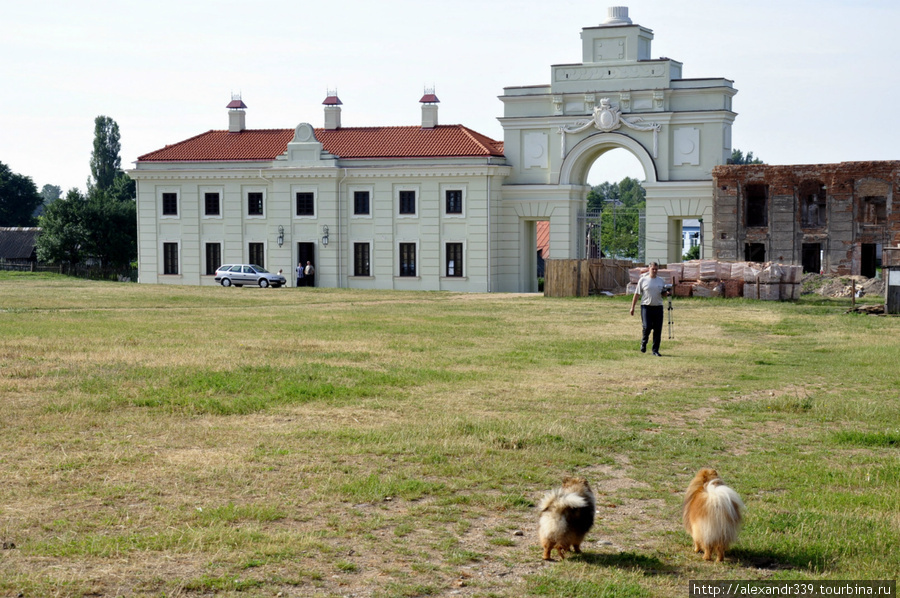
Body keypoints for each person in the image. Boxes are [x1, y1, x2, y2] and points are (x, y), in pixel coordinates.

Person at [629, 261, 669, 356]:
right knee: (647, 327)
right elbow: (637, 294)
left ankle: (655, 350)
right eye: (653, 269)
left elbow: (663, 293)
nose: (654, 271)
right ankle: (644, 342)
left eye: (656, 269)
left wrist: (666, 293)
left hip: (658, 307)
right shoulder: (643, 280)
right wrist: (632, 307)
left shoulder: (660, 280)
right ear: (649, 269)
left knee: (657, 329)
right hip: (646, 307)